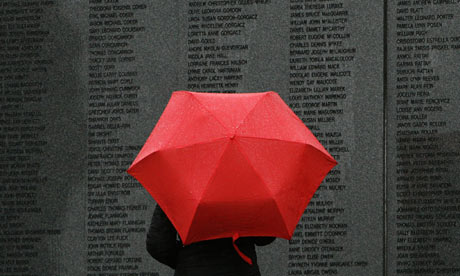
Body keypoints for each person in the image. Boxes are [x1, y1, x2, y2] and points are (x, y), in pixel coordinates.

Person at [146, 204, 275, 276]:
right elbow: (264, 238)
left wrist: (187, 260)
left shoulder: (176, 183)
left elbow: (157, 244)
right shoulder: (247, 182)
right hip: (241, 269)